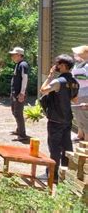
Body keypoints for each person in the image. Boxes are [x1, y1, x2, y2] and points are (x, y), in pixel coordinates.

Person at [39, 54, 79, 182]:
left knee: (54, 148)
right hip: (67, 119)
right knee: (67, 147)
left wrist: (50, 76)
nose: (56, 66)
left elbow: (43, 90)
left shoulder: (58, 82)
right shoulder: (75, 83)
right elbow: (74, 99)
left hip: (55, 120)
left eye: (58, 64)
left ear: (62, 66)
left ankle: (53, 175)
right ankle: (67, 175)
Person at [9, 47, 29, 141]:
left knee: (18, 113)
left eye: (14, 54)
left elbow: (25, 79)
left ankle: (22, 134)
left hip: (19, 94)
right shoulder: (18, 64)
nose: (12, 56)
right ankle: (19, 129)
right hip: (14, 93)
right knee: (14, 111)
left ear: (19, 55)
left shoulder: (23, 65)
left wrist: (22, 93)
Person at [71, 45, 88, 141]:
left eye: (77, 54)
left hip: (85, 94)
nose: (75, 55)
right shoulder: (78, 63)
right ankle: (80, 134)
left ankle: (86, 139)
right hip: (77, 92)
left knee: (84, 116)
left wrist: (77, 76)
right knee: (78, 114)